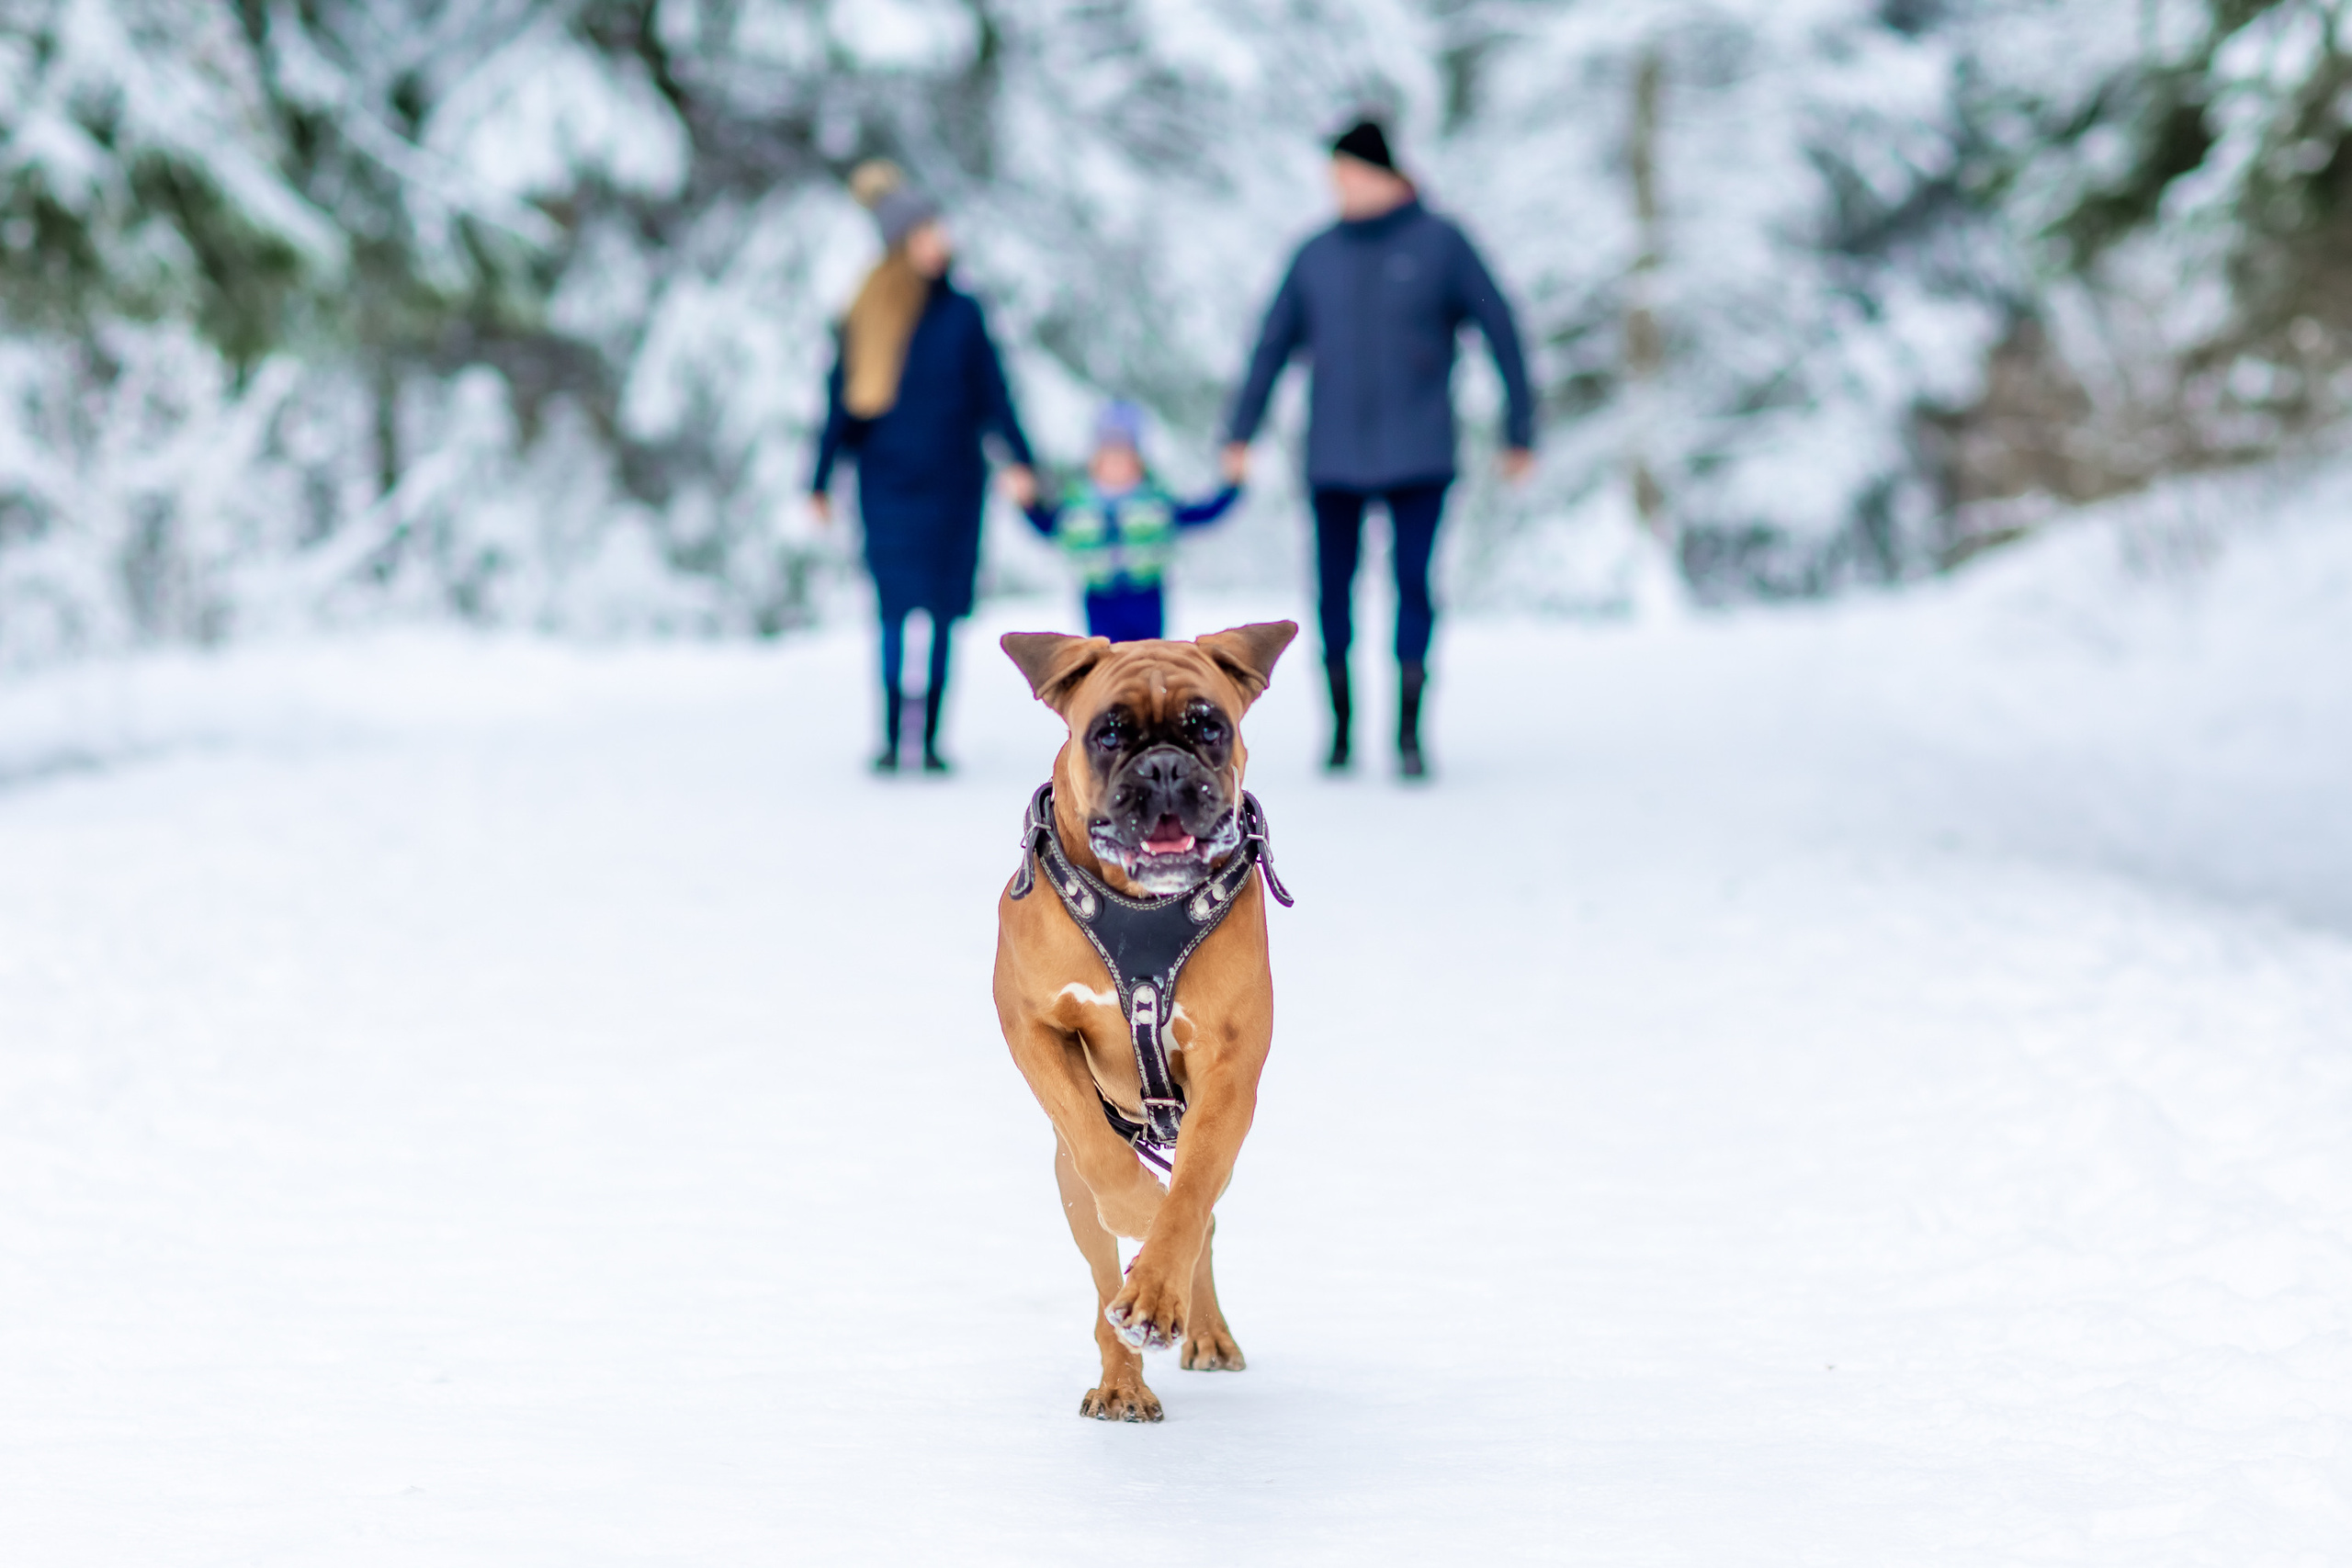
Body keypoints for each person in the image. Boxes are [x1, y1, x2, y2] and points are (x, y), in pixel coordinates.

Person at [1222, 118, 1535, 778]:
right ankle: (1340, 729)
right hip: (1333, 456)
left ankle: (1409, 732)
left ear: (1383, 174)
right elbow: (1271, 344)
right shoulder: (1315, 254)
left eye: (1346, 174)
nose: (1337, 187)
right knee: (1331, 595)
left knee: (1413, 588)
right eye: (1332, 177)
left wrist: (1520, 430)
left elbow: (1501, 327)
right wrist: (1240, 432)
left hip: (1420, 453)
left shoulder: (1443, 243)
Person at [810, 161, 1038, 773]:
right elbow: (839, 404)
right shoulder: (865, 314)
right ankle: (890, 739)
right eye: (925, 233)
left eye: (938, 230)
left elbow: (994, 393)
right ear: (901, 243)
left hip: (956, 486)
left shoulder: (964, 312)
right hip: (886, 487)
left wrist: (1022, 460)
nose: (939, 242)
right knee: (892, 611)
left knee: (941, 612)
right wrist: (819, 480)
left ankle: (931, 740)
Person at [1023, 401, 1240, 643]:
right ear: (1095, 460)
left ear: (1138, 461)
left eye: (1124, 455)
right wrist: (1026, 503)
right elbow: (1048, 527)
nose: (1117, 463)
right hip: (1099, 599)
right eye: (1110, 455)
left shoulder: (1155, 503)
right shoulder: (1076, 506)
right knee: (1106, 656)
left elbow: (1203, 514)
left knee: (1149, 655)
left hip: (1146, 597)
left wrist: (1232, 486)